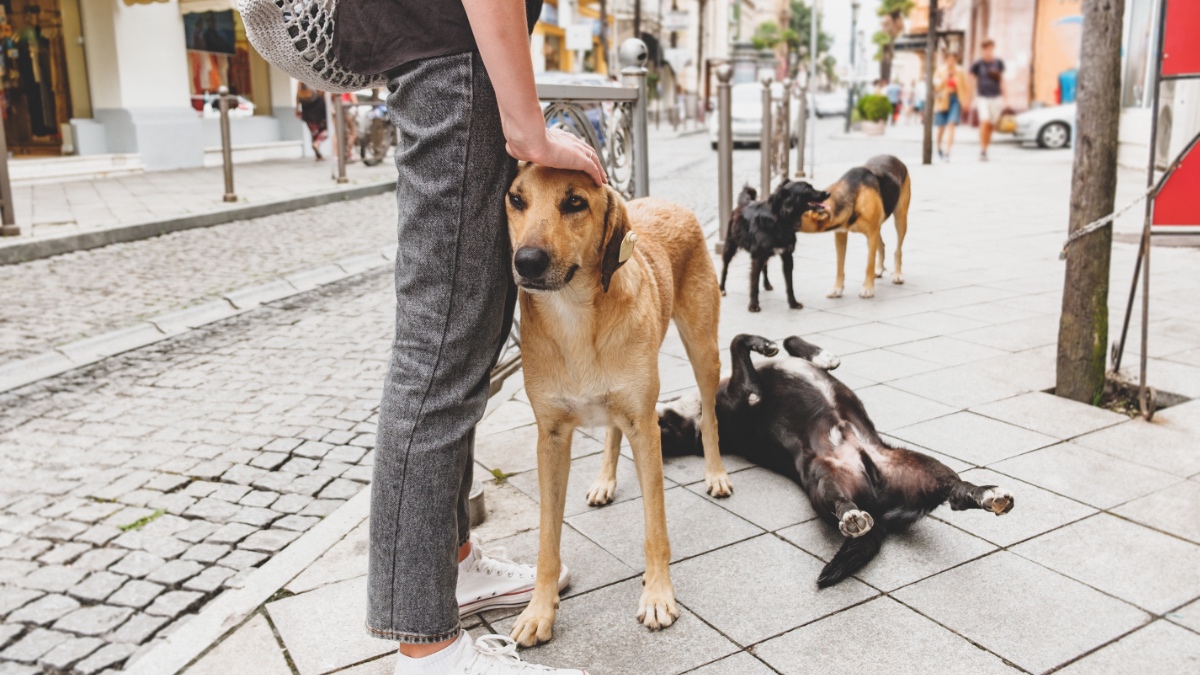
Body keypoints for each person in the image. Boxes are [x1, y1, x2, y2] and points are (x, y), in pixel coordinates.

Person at [331, 1, 604, 674]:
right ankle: (427, 646)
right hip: (453, 59)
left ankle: (453, 564)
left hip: (454, 56)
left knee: (471, 331)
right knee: (439, 351)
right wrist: (530, 130)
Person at [969, 39, 1005, 161]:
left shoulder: (998, 63)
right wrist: (970, 99)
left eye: (990, 48)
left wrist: (1006, 98)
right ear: (982, 50)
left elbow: (1002, 80)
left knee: (991, 125)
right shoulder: (978, 64)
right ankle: (983, 150)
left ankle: (985, 148)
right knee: (984, 121)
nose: (987, 51)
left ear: (993, 49)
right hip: (982, 97)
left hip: (996, 97)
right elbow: (972, 81)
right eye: (985, 49)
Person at [933, 50, 970, 161]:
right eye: (949, 59)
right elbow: (936, 87)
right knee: (941, 127)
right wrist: (945, 78)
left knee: (951, 125)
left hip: (955, 100)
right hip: (942, 100)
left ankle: (947, 153)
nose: (951, 62)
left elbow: (965, 88)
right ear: (945, 60)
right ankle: (939, 148)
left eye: (953, 59)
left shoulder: (960, 71)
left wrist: (965, 103)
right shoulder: (940, 71)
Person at [296, 82, 328, 161]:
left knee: (313, 132)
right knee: (325, 130)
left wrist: (297, 107)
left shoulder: (300, 79)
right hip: (318, 106)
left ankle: (317, 154)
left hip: (306, 108)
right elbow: (322, 92)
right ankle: (317, 143)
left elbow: (298, 94)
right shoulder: (316, 75)